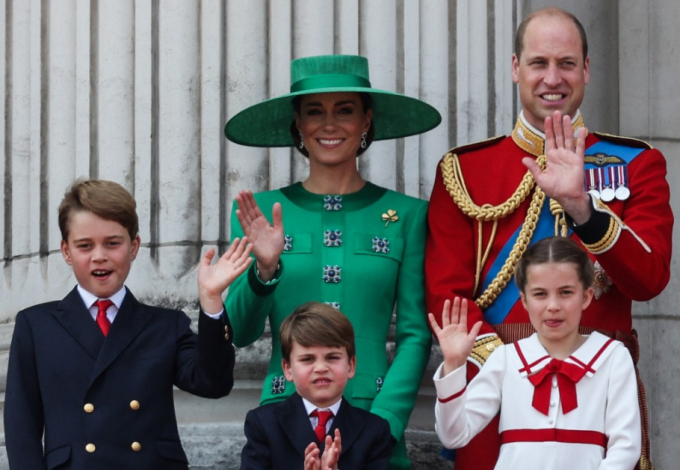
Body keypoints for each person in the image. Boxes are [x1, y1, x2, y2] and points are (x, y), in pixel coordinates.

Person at [426, 7, 670, 470]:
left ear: (587, 69)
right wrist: (515, 367)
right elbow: (446, 294)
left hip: (600, 382)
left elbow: (650, 278)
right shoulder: (465, 169)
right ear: (516, 68)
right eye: (539, 63)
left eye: (566, 63)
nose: (552, 78)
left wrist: (585, 210)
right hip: (494, 387)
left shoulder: (636, 162)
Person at [224, 54, 441, 470]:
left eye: (345, 110)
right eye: (314, 112)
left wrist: (384, 423)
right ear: (298, 125)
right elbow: (240, 333)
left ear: (366, 121)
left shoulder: (408, 214)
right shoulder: (260, 211)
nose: (329, 124)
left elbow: (415, 334)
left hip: (376, 421)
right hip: (284, 423)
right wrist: (264, 271)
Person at [4, 179, 252, 470]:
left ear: (134, 246)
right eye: (85, 246)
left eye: (112, 243)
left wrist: (211, 299)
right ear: (66, 251)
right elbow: (22, 427)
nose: (100, 256)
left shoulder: (165, 325)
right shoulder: (36, 325)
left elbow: (213, 383)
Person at [431, 237, 641, 470]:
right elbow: (454, 436)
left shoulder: (612, 357)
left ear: (586, 297)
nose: (553, 305)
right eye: (540, 294)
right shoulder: (506, 358)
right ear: (524, 300)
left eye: (565, 292)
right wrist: (453, 364)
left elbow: (625, 447)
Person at [240, 302, 393, 470]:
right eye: (307, 359)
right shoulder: (264, 424)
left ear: (351, 365)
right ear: (287, 369)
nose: (321, 368)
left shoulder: (374, 430)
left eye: (332, 357)